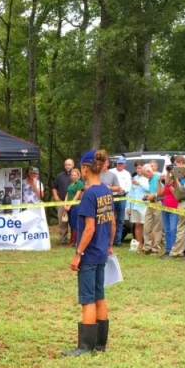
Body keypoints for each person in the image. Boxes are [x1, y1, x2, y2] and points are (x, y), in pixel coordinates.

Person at [65, 149, 116, 356]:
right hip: (102, 252)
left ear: (85, 168)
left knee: (87, 299)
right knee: (99, 296)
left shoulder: (88, 195)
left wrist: (78, 253)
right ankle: (100, 344)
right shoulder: (106, 191)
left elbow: (89, 228)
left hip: (89, 254)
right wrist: (109, 245)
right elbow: (112, 223)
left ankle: (85, 347)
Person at [51, 159, 75, 243]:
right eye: (66, 165)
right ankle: (63, 239)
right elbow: (54, 187)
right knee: (62, 222)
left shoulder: (77, 175)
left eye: (69, 164)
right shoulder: (60, 176)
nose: (68, 166)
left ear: (73, 165)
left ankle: (74, 239)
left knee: (74, 221)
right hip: (61, 202)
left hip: (73, 202)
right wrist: (56, 196)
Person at [128, 161, 149, 249]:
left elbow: (149, 189)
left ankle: (148, 244)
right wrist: (128, 206)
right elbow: (130, 193)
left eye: (139, 168)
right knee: (137, 225)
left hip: (144, 205)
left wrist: (140, 184)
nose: (138, 170)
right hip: (135, 205)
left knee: (147, 226)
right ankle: (139, 244)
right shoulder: (134, 178)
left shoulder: (147, 178)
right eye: (136, 168)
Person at [111, 157, 132, 245]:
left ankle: (118, 240)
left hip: (122, 197)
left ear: (124, 164)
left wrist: (123, 190)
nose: (120, 165)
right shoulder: (111, 172)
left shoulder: (127, 174)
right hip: (112, 197)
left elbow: (129, 187)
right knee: (111, 220)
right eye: (119, 163)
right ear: (117, 163)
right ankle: (110, 240)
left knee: (120, 220)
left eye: (122, 164)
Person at [64, 168, 85, 247]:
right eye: (72, 175)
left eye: (75, 175)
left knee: (75, 223)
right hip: (68, 206)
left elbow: (77, 195)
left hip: (75, 205)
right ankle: (72, 240)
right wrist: (65, 204)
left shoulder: (79, 183)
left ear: (78, 175)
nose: (73, 176)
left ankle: (75, 241)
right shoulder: (71, 184)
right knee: (71, 223)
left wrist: (70, 205)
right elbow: (67, 194)